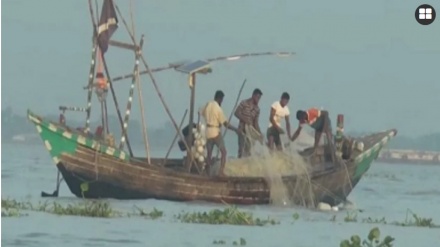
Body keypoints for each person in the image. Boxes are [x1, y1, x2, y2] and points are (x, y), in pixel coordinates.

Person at [201, 90, 240, 176]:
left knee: (209, 154)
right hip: (215, 132)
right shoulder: (218, 109)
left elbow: (201, 112)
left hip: (208, 132)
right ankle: (221, 172)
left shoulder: (207, 104)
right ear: (220, 99)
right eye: (222, 100)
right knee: (224, 152)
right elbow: (225, 124)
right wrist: (235, 129)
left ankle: (207, 172)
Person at [234, 88, 263, 158]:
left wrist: (259, 133)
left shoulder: (257, 109)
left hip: (250, 131)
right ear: (253, 96)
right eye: (257, 97)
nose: (258, 99)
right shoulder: (244, 103)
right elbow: (236, 113)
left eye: (259, 98)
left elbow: (256, 123)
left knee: (249, 150)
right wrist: (245, 119)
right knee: (241, 149)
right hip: (242, 129)